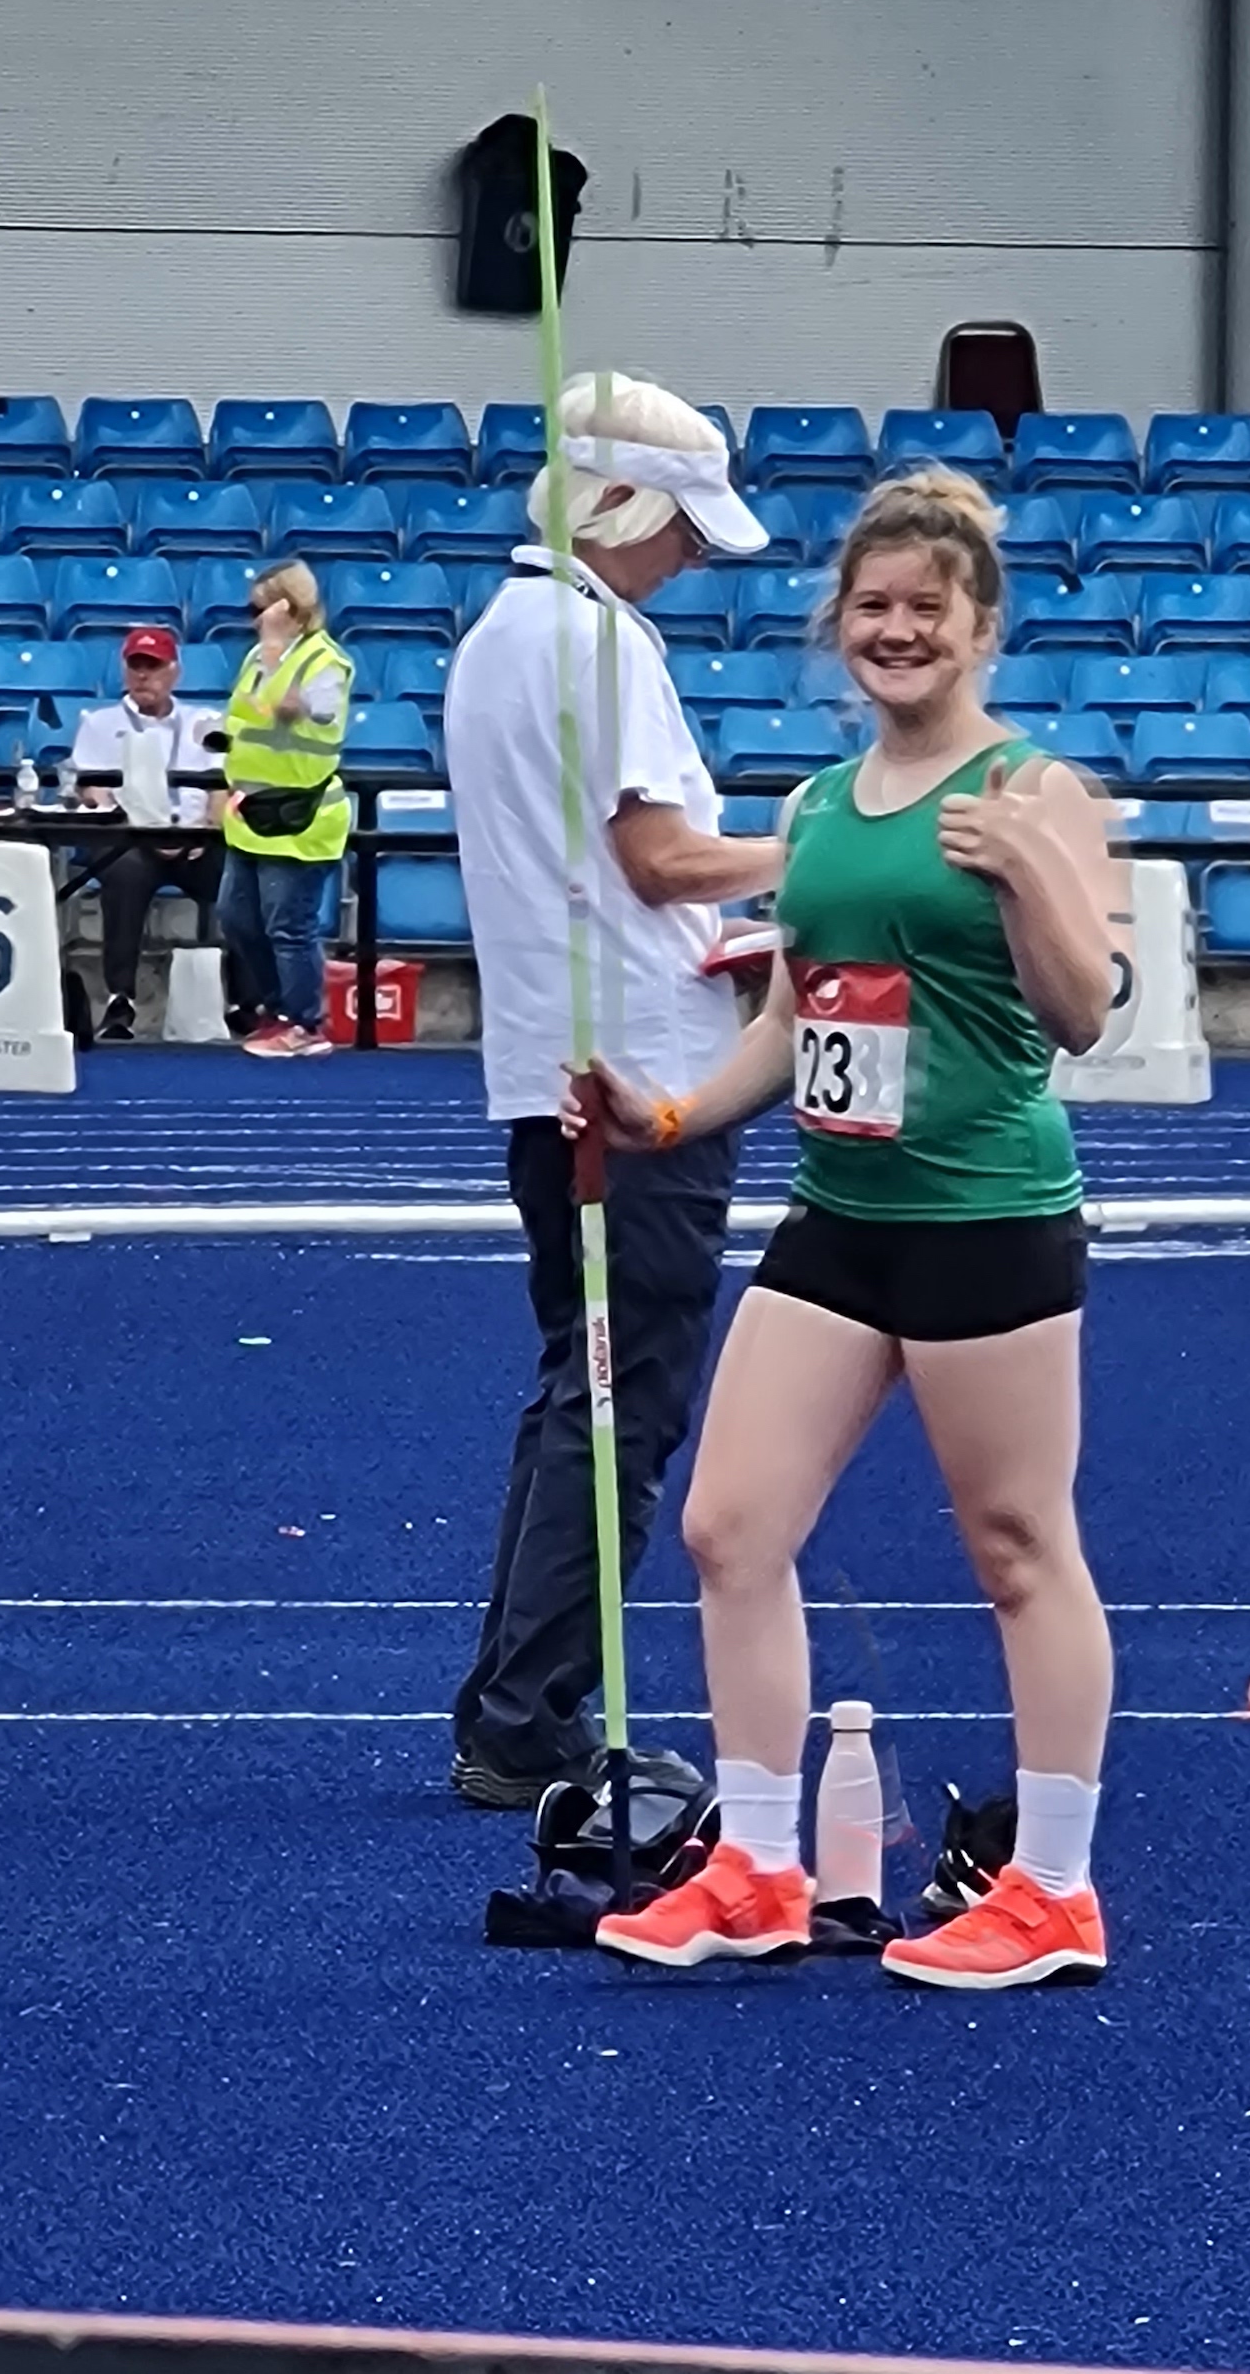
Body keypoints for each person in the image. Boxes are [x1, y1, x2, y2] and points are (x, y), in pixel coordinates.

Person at [579, 470, 1130, 1990]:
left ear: (979, 627)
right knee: (726, 1525)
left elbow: (1081, 1015)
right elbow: (788, 1018)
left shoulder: (1031, 792)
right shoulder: (814, 807)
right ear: (840, 626)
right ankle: (758, 1862)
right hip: (838, 1213)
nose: (896, 630)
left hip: (983, 1214)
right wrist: (671, 1115)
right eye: (872, 607)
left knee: (1018, 1546)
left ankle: (1054, 1887)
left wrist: (1026, 877)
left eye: (924, 609)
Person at [445, 372, 784, 1809]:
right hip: (642, 1070)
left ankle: (513, 1693)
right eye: (681, 525)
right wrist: (816, 851)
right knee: (619, 1399)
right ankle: (529, 1712)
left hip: (551, 1058)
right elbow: (659, 861)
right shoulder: (599, 640)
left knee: (574, 1386)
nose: (692, 553)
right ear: (620, 505)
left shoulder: (496, 635)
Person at [71, 628, 257, 1041]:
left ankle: (246, 1002)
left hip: (196, 839)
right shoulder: (100, 724)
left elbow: (221, 787)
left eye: (153, 667)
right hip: (131, 837)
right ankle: (120, 1000)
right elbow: (92, 789)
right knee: (124, 872)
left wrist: (208, 830)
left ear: (174, 671)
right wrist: (137, 826)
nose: (143, 676)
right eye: (136, 666)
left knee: (241, 873)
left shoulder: (204, 724)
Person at [216, 561, 353, 1060]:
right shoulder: (257, 656)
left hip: (301, 817)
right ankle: (276, 1009)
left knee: (289, 926)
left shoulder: (325, 662)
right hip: (251, 812)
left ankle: (304, 1022)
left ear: (287, 607)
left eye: (260, 607)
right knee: (237, 918)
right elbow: (249, 714)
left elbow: (301, 709)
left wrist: (275, 658)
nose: (253, 618)